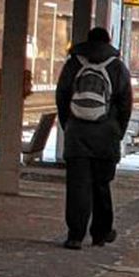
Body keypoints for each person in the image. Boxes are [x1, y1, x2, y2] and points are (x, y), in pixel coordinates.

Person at [55, 24, 133, 250]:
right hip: (106, 136)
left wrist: (68, 124)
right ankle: (100, 233)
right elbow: (125, 103)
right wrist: (118, 131)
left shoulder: (73, 64)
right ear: (108, 42)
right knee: (101, 184)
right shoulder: (117, 67)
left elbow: (61, 96)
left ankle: (75, 236)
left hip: (77, 135)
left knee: (78, 186)